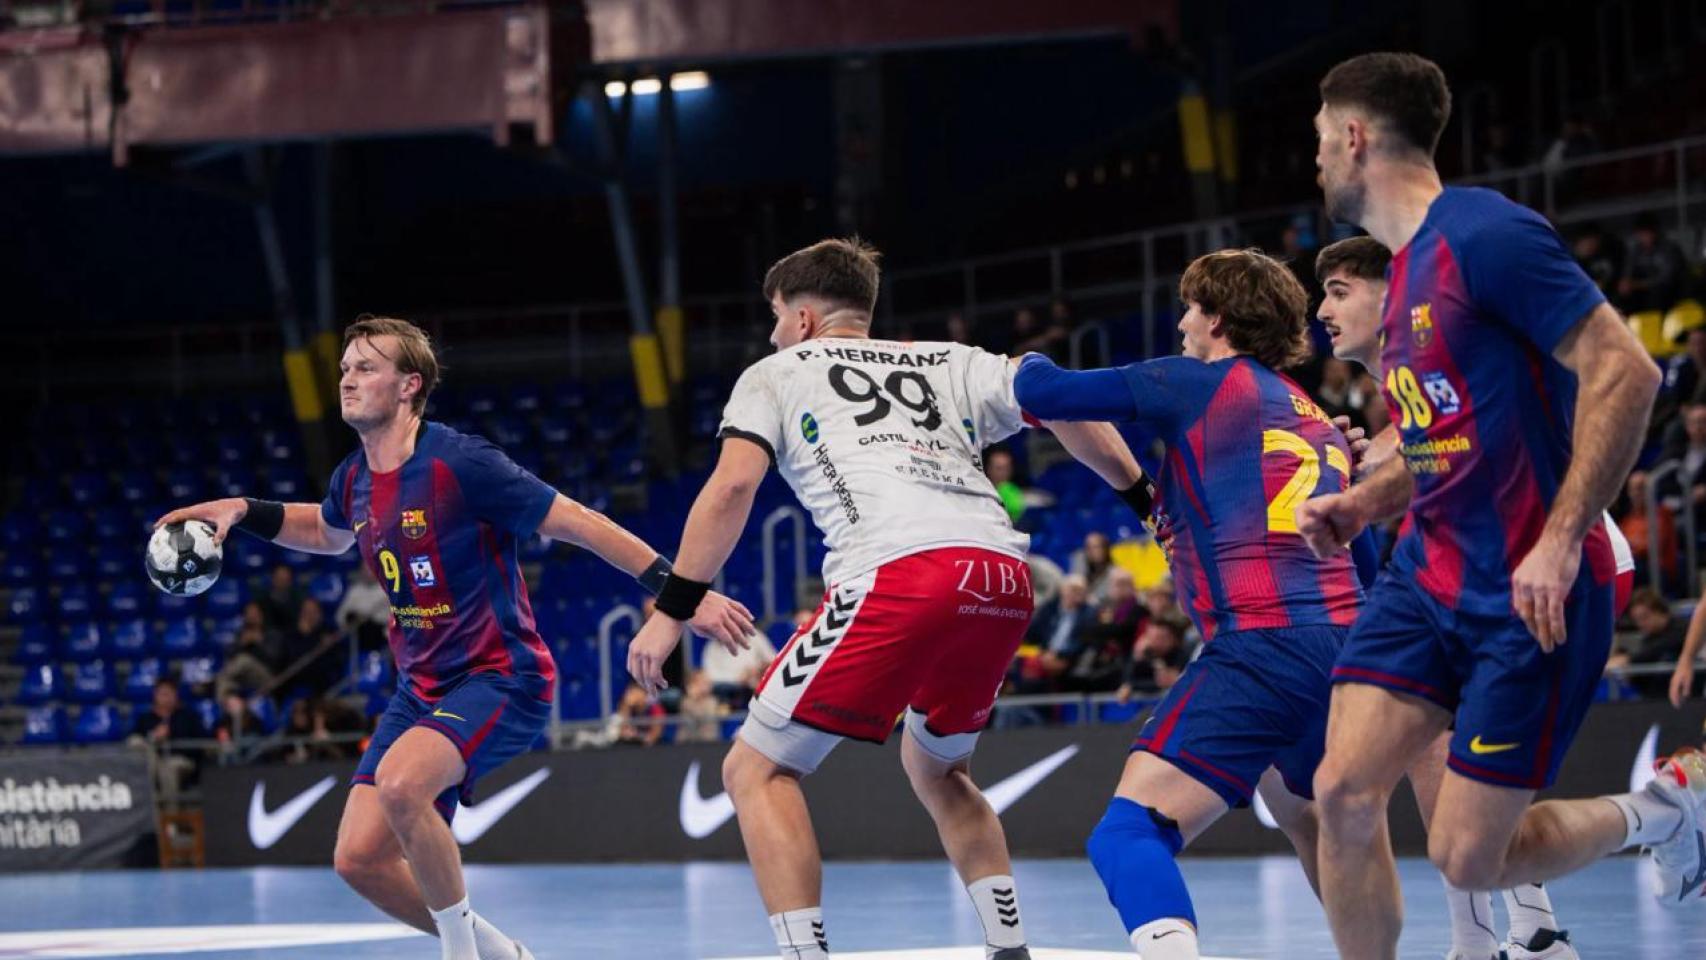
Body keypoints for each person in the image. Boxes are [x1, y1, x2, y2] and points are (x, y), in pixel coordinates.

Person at [157, 315, 753, 960]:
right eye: (345, 368)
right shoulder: (353, 478)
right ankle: (502, 954)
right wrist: (242, 510)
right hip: (420, 690)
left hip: (501, 678)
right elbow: (326, 533)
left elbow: (581, 523)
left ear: (409, 385)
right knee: (358, 859)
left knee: (401, 784)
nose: (347, 380)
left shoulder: (460, 462)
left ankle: (461, 956)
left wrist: (679, 593)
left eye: (366, 368)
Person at [625, 237, 1147, 960]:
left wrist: (672, 611)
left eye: (775, 317)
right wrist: (1146, 500)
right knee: (939, 769)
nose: (772, 334)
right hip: (1002, 576)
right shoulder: (953, 360)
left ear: (803, 318)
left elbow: (734, 485)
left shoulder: (776, 372)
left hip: (901, 571)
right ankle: (1010, 949)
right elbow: (1059, 396)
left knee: (755, 768)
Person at [1299, 52, 1696, 960]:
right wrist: (1363, 504)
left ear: (1355, 138)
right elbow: (1444, 443)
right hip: (1425, 578)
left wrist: (1559, 540)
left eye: (1320, 139)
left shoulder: (1486, 234)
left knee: (1473, 858)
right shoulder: (1403, 279)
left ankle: (1666, 810)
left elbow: (1627, 372)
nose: (1315, 159)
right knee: (1342, 794)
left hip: (1525, 591)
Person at [1015, 248, 1369, 958]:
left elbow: (1045, 391)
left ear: (1217, 317)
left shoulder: (1197, 382)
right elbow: (1355, 553)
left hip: (1262, 645)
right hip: (1345, 647)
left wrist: (1018, 362)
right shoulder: (1314, 419)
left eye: (1189, 308)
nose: (1180, 323)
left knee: (1127, 834)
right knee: (1306, 821)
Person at [1316, 232, 1638, 960]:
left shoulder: (1444, 338)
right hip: (1490, 567)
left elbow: (1465, 437)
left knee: (1435, 747)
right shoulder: (1398, 376)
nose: (1323, 313)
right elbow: (1429, 451)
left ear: (1389, 292)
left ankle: (1494, 934)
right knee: (1432, 753)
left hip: (1559, 560)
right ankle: (1524, 932)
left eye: (1338, 292)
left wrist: (1369, 471)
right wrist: (1365, 463)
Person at [129, 676, 208, 807]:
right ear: (155, 696)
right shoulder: (146, 718)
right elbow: (134, 739)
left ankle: (170, 815)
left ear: (176, 695)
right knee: (140, 748)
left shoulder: (189, 717)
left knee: (168, 768)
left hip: (180, 760)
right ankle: (148, 813)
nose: (166, 698)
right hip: (153, 761)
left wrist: (172, 735)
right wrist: (154, 737)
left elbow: (200, 743)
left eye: (169, 693)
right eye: (162, 694)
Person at [1609, 589, 1689, 699]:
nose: (1641, 624)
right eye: (1636, 620)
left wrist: (1628, 659)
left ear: (1659, 611)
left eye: (1644, 617)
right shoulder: (1649, 638)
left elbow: (1659, 648)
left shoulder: (1682, 628)